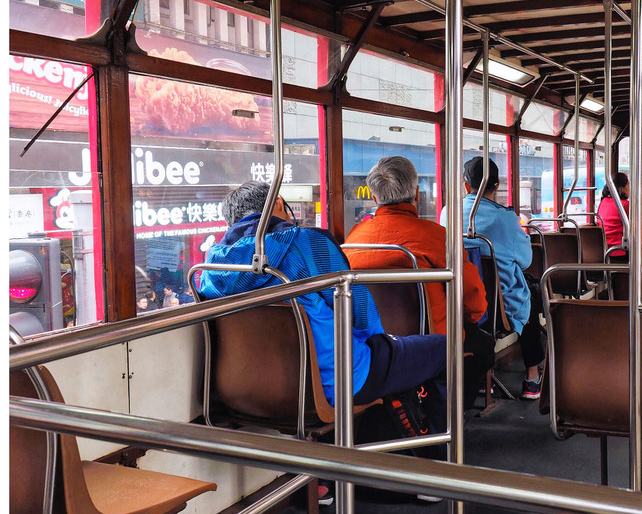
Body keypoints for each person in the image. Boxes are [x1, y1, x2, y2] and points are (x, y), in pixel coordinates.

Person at [197, 181, 455, 449]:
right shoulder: (308, 244)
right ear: (276, 205)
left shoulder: (210, 268)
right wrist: (382, 341)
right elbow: (362, 314)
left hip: (241, 391)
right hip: (334, 380)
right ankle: (434, 467)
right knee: (443, 350)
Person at [343, 157, 494, 404]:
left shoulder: (354, 238)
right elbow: (474, 301)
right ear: (416, 193)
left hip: (372, 343)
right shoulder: (436, 236)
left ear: (373, 198)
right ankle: (454, 414)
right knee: (484, 346)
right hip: (431, 339)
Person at [443, 157, 545, 400]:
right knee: (528, 295)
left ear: (466, 186)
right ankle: (532, 377)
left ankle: (481, 380)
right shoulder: (506, 219)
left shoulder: (448, 213)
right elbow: (526, 259)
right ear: (497, 184)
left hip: (457, 298)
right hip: (499, 308)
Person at [597, 172, 642, 258]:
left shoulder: (603, 202)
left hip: (606, 249)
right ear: (622, 188)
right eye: (628, 185)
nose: (629, 188)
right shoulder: (624, 205)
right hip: (621, 249)